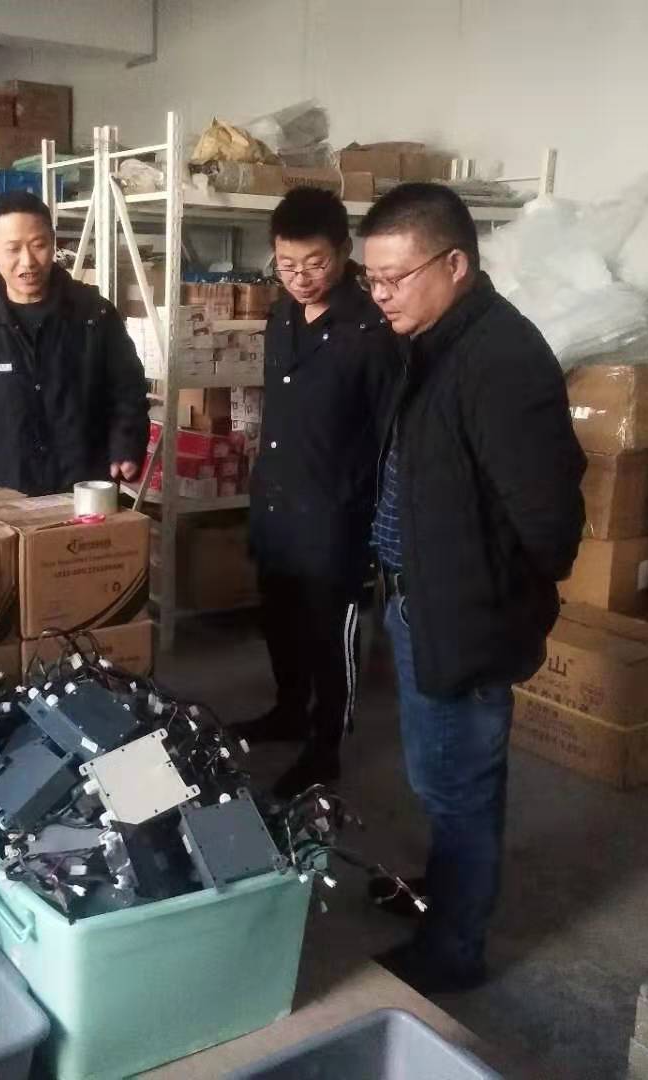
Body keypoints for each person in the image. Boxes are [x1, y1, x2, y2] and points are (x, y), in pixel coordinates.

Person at [358, 183, 585, 993]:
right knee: (439, 774)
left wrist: (485, 595)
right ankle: (444, 891)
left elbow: (551, 523)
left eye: (396, 278)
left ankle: (454, 949)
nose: (381, 295)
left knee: (459, 785)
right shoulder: (433, 342)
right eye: (371, 280)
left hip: (463, 613)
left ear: (455, 264)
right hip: (422, 599)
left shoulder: (502, 360)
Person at [242, 187, 397, 799]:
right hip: (277, 505)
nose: (301, 278)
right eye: (287, 265)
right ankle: (288, 711)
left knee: (330, 637)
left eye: (315, 264)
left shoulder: (371, 329)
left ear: (344, 251)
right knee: (279, 621)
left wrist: (376, 520)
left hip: (336, 514)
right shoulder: (281, 316)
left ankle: (325, 746)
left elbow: (389, 433)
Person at [0, 190, 150, 495]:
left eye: (38, 245)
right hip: (5, 492)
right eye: (13, 249)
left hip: (83, 490)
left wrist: (126, 443)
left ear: (53, 243)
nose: (27, 261)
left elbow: (128, 390)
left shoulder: (94, 314)